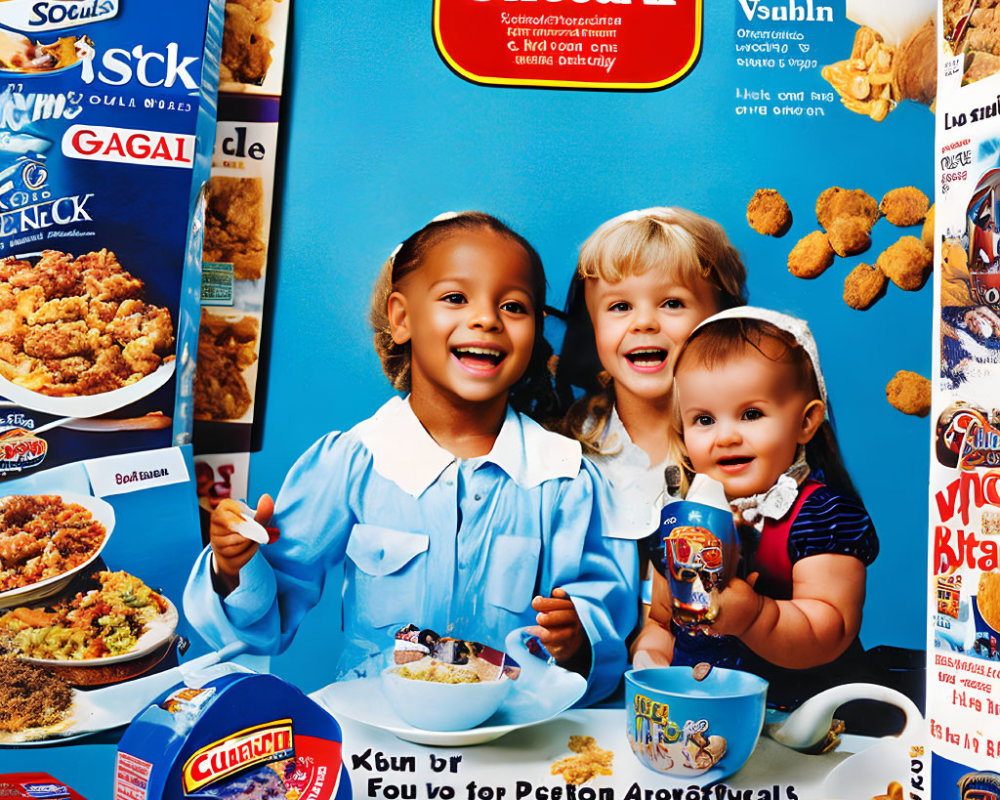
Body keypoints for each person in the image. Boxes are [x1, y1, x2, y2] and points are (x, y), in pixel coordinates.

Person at [184, 211, 636, 705]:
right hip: (382, 741)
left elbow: (606, 616)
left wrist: (578, 640)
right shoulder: (353, 461)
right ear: (402, 319)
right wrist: (234, 566)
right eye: (455, 298)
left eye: (512, 305)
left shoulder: (565, 477)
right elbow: (264, 621)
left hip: (514, 739)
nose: (486, 318)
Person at [632, 307, 878, 709]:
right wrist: (652, 658)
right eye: (704, 419)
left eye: (751, 414)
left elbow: (830, 630)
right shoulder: (682, 522)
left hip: (805, 722)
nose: (725, 436)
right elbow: (661, 620)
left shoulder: (819, 515)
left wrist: (755, 616)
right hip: (704, 718)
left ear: (806, 422)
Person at [554, 208, 746, 604]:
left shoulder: (744, 448)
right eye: (620, 306)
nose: (644, 322)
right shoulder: (562, 450)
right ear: (592, 327)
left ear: (720, 319)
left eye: (672, 303)